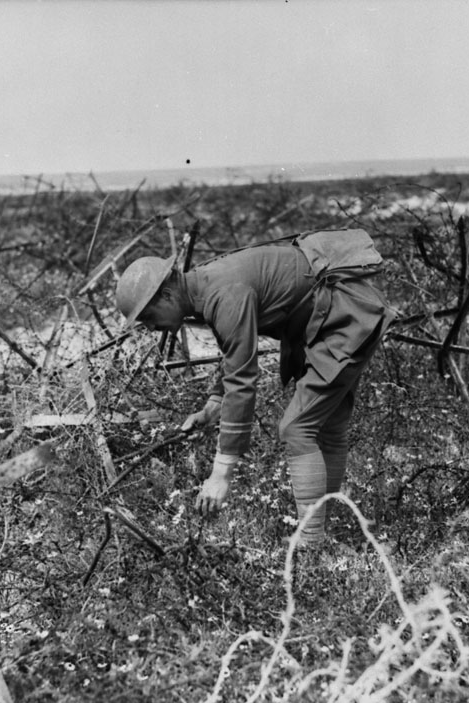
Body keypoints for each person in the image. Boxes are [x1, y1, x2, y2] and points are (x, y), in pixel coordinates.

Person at [115, 229, 393, 546]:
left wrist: (221, 473)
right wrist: (212, 408)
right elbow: (236, 353)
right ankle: (326, 530)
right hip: (336, 314)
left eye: (149, 317)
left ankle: (313, 543)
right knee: (327, 427)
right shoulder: (205, 288)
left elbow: (243, 380)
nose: (151, 327)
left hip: (345, 316)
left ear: (166, 296)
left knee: (297, 428)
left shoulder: (223, 295)